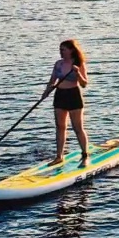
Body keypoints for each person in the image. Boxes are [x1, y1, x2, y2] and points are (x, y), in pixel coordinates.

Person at [42, 39, 90, 167]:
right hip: (60, 95)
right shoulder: (58, 64)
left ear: (71, 50)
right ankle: (59, 157)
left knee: (77, 127)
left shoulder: (79, 63)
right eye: (60, 49)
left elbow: (84, 84)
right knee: (60, 126)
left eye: (63, 49)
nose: (61, 52)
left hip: (73, 95)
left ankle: (85, 154)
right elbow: (52, 80)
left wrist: (78, 73)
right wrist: (46, 92)